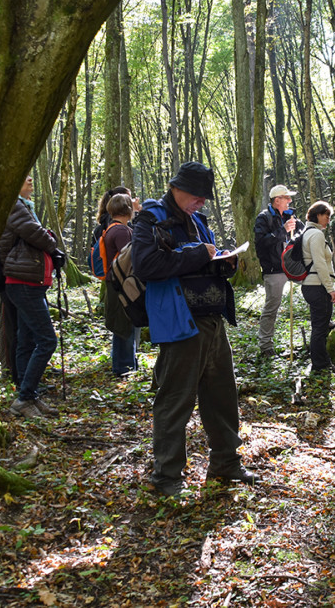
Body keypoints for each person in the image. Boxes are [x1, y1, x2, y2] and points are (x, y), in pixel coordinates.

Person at [132, 161, 256, 496]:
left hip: (212, 320)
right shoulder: (151, 218)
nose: (202, 202)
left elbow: (206, 264)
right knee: (175, 398)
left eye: (205, 197)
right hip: (179, 320)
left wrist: (225, 264)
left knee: (222, 394)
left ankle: (226, 462)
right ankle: (167, 476)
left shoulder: (199, 221)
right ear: (177, 187)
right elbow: (147, 265)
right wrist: (199, 254)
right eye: (197, 195)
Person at [0, 175, 66, 419]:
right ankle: (25, 397)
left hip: (28, 282)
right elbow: (34, 233)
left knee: (26, 340)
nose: (30, 179)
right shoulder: (14, 206)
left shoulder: (24, 206)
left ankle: (28, 395)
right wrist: (52, 244)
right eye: (24, 176)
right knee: (47, 340)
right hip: (22, 282)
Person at [254, 184, 302, 357]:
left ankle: (324, 326)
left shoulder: (291, 216)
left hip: (293, 266)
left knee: (314, 287)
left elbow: (302, 233)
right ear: (277, 200)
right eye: (286, 198)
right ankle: (266, 346)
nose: (290, 201)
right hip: (274, 269)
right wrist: (283, 231)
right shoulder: (263, 218)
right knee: (272, 307)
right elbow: (261, 243)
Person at [103, 193, 139, 376]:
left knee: (124, 324)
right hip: (121, 284)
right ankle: (123, 368)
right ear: (127, 209)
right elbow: (129, 259)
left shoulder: (114, 228)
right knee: (124, 325)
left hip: (116, 283)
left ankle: (126, 364)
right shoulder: (121, 231)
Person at [301, 200, 335, 373]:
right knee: (320, 329)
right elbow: (320, 263)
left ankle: (319, 362)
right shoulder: (316, 235)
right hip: (317, 286)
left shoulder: (306, 232)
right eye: (326, 216)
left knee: (319, 325)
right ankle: (321, 365)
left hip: (311, 285)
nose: (328, 220)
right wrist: (330, 289)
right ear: (318, 215)